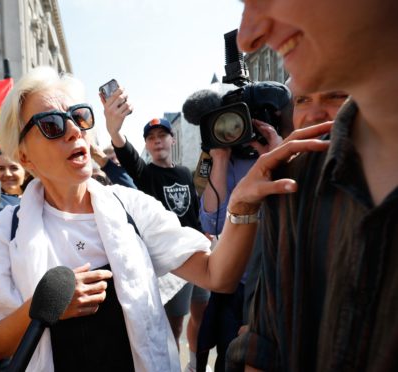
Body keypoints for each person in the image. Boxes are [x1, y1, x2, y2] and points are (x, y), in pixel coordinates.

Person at [0, 66, 329, 371]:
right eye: (52, 125)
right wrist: (40, 308)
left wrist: (243, 205)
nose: (74, 130)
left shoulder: (129, 206)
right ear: (24, 157)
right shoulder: (5, 230)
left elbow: (217, 273)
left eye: (79, 117)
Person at [226, 0, 398, 371]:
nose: (249, 35)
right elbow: (263, 346)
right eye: (302, 101)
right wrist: (239, 206)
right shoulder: (293, 183)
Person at [182, 82, 291, 372]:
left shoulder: (289, 148)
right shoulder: (221, 158)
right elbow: (213, 223)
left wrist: (277, 158)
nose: (234, 130)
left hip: (280, 284)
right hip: (238, 285)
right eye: (226, 123)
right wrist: (219, 158)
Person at [104, 85, 209, 367]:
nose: (157, 141)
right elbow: (124, 151)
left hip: (198, 253)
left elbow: (195, 212)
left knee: (202, 318)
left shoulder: (186, 173)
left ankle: (196, 365)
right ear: (147, 146)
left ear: (172, 139)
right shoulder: (145, 173)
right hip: (171, 264)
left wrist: (206, 235)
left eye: (162, 135)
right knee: (172, 329)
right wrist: (115, 130)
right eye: (151, 138)